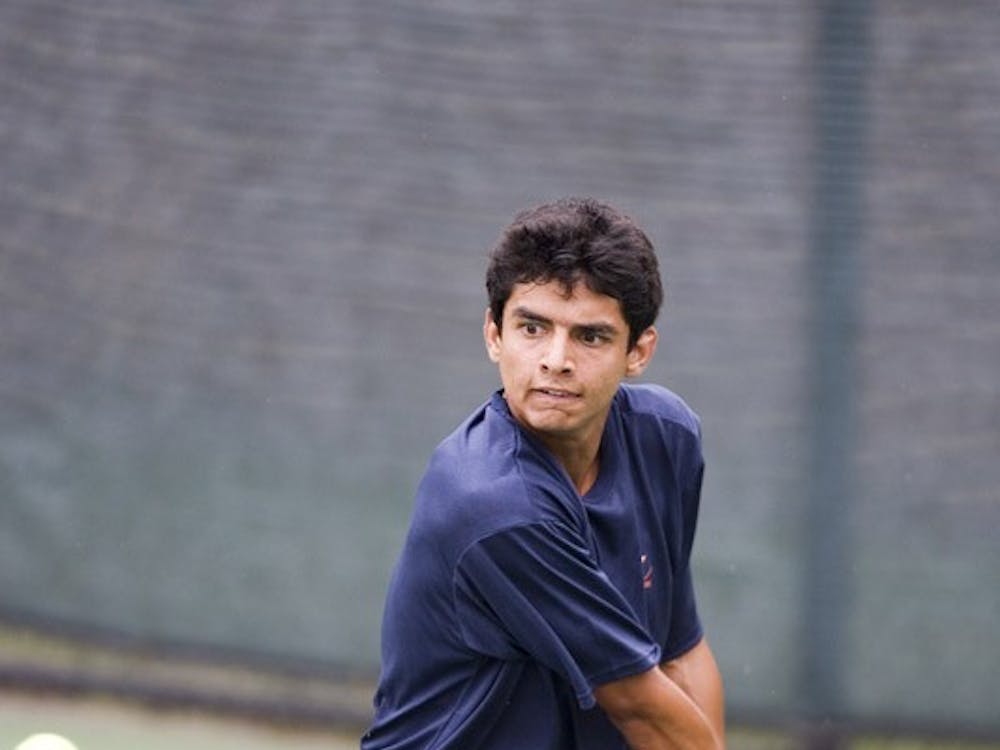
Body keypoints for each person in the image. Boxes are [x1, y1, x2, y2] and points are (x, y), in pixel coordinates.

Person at [362, 198, 725, 749]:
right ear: (494, 335)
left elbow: (680, 653)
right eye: (532, 327)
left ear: (639, 350)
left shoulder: (665, 438)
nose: (556, 359)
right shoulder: (495, 505)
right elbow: (643, 709)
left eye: (591, 336)